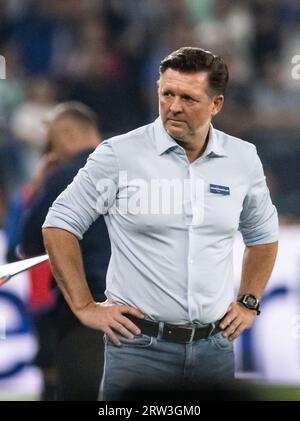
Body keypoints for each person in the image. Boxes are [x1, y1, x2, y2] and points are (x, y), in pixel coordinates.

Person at [42, 47, 278, 400]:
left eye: (188, 97)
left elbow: (262, 236)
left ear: (216, 104)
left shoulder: (243, 159)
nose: (174, 106)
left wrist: (248, 301)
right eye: (167, 94)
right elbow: (59, 223)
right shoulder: (119, 154)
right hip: (138, 349)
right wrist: (84, 306)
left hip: (214, 351)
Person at [20, 102, 111, 400]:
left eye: (52, 141)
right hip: (144, 308)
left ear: (69, 134)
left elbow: (26, 245)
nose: (50, 150)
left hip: (84, 310)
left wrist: (38, 185)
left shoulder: (64, 176)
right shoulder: (135, 172)